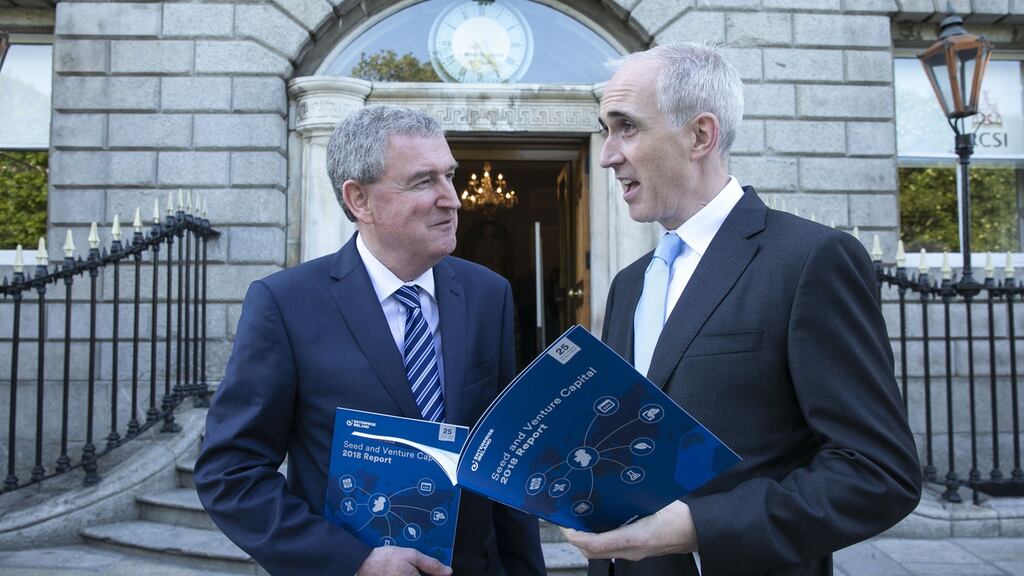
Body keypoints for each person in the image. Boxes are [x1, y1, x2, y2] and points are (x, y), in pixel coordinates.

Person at [562, 42, 922, 576]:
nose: (609, 154)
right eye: (605, 130)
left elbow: (877, 473)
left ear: (700, 135)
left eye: (626, 127)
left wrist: (696, 528)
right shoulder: (629, 284)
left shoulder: (809, 260)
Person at [194, 105, 546, 576]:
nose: (453, 199)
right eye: (425, 181)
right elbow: (230, 473)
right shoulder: (286, 304)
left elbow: (501, 461)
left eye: (450, 176)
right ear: (359, 200)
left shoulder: (488, 293)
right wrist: (352, 561)